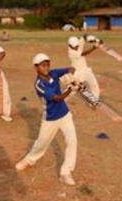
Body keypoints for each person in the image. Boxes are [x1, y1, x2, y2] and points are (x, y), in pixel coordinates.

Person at [15, 53, 78, 186]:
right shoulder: (39, 84)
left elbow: (70, 69)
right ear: (36, 67)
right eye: (42, 65)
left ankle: (65, 172)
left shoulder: (53, 73)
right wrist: (71, 88)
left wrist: (71, 76)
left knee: (72, 141)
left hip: (65, 114)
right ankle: (29, 160)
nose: (46, 67)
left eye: (47, 64)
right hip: (50, 118)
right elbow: (57, 98)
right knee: (41, 143)